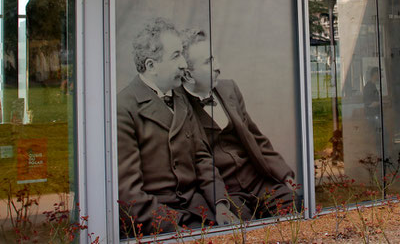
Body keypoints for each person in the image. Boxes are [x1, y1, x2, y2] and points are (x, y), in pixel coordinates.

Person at [116, 18, 234, 236]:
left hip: (200, 211)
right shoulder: (124, 107)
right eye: (176, 56)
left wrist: (221, 204)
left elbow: (202, 158)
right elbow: (129, 194)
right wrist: (174, 230)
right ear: (151, 65)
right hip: (162, 222)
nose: (183, 64)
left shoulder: (180, 97)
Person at [181, 29, 296, 220]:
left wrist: (284, 173)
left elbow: (255, 136)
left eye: (215, 58)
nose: (218, 66)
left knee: (290, 208)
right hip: (227, 191)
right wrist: (221, 202)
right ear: (187, 75)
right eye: (208, 62)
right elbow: (197, 165)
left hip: (258, 181)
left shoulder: (228, 89)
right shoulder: (179, 107)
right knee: (241, 229)